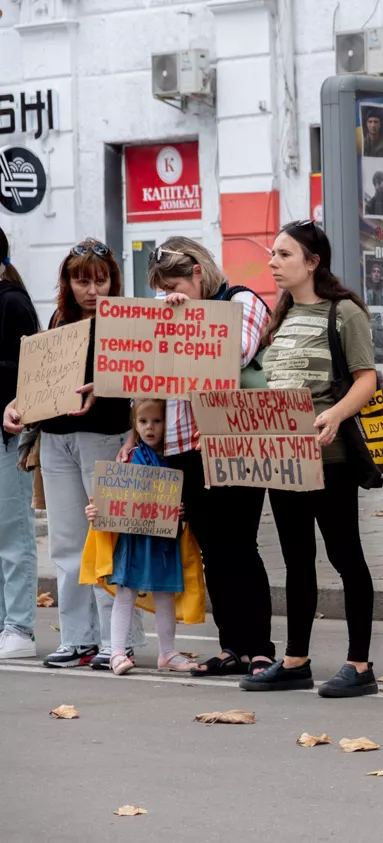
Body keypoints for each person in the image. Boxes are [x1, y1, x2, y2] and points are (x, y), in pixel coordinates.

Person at [242, 220, 378, 698]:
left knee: (345, 556)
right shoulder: (278, 316)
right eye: (273, 255)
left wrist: (335, 416)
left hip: (330, 458)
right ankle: (296, 660)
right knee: (297, 559)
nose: (273, 263)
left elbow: (366, 379)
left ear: (313, 262)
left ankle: (360, 665)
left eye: (283, 254)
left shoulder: (343, 313)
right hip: (283, 457)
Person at [2, 240, 143, 669]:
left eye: (100, 280)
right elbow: (38, 379)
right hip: (57, 437)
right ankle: (79, 637)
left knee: (109, 537)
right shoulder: (59, 319)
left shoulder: (125, 322)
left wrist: (107, 386)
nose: (92, 290)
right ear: (67, 282)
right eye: (82, 280)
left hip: (104, 435)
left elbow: (146, 374)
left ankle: (117, 640)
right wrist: (17, 405)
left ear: (113, 281)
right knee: (67, 541)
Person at [144, 237, 277, 677]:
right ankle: (232, 647)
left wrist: (187, 319)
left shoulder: (242, 301)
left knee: (240, 544)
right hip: (184, 442)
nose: (168, 295)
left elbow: (231, 353)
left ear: (198, 272)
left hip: (232, 439)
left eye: (175, 283)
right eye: (162, 289)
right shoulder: (168, 311)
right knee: (213, 551)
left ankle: (259, 647)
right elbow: (149, 369)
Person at [84, 399, 198, 675]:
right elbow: (111, 496)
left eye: (156, 421)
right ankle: (117, 652)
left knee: (165, 595)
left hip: (162, 539)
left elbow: (182, 496)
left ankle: (168, 653)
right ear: (134, 425)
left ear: (167, 423)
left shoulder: (175, 458)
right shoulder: (128, 457)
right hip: (133, 539)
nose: (150, 428)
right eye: (143, 422)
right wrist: (95, 509)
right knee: (125, 592)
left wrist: (181, 510)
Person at [0, 227, 40, 659]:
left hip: (8, 433)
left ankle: (19, 627)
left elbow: (22, 373)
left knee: (12, 530)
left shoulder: (11, 301)